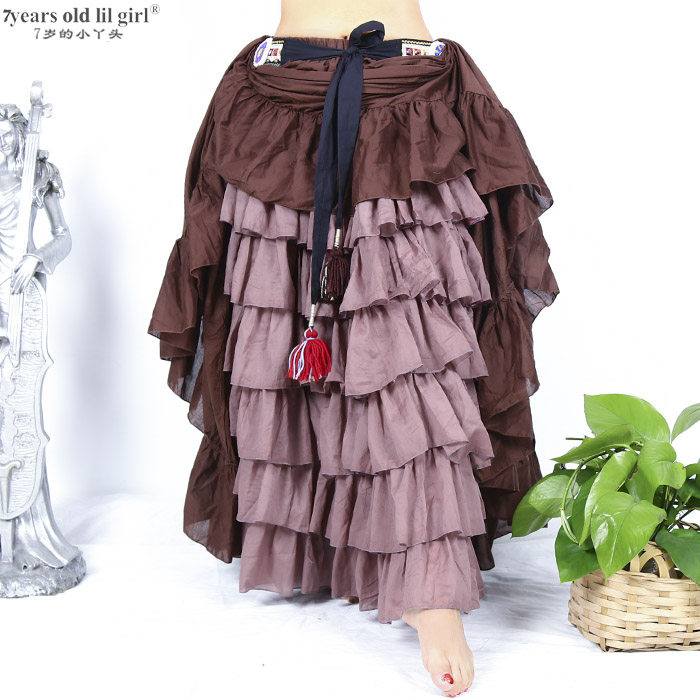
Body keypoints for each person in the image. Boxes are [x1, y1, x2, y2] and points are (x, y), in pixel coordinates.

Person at [148, 1, 559, 696]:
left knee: (407, 351)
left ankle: (431, 590)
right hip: (279, 91)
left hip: (409, 90)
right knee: (280, 326)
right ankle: (320, 546)